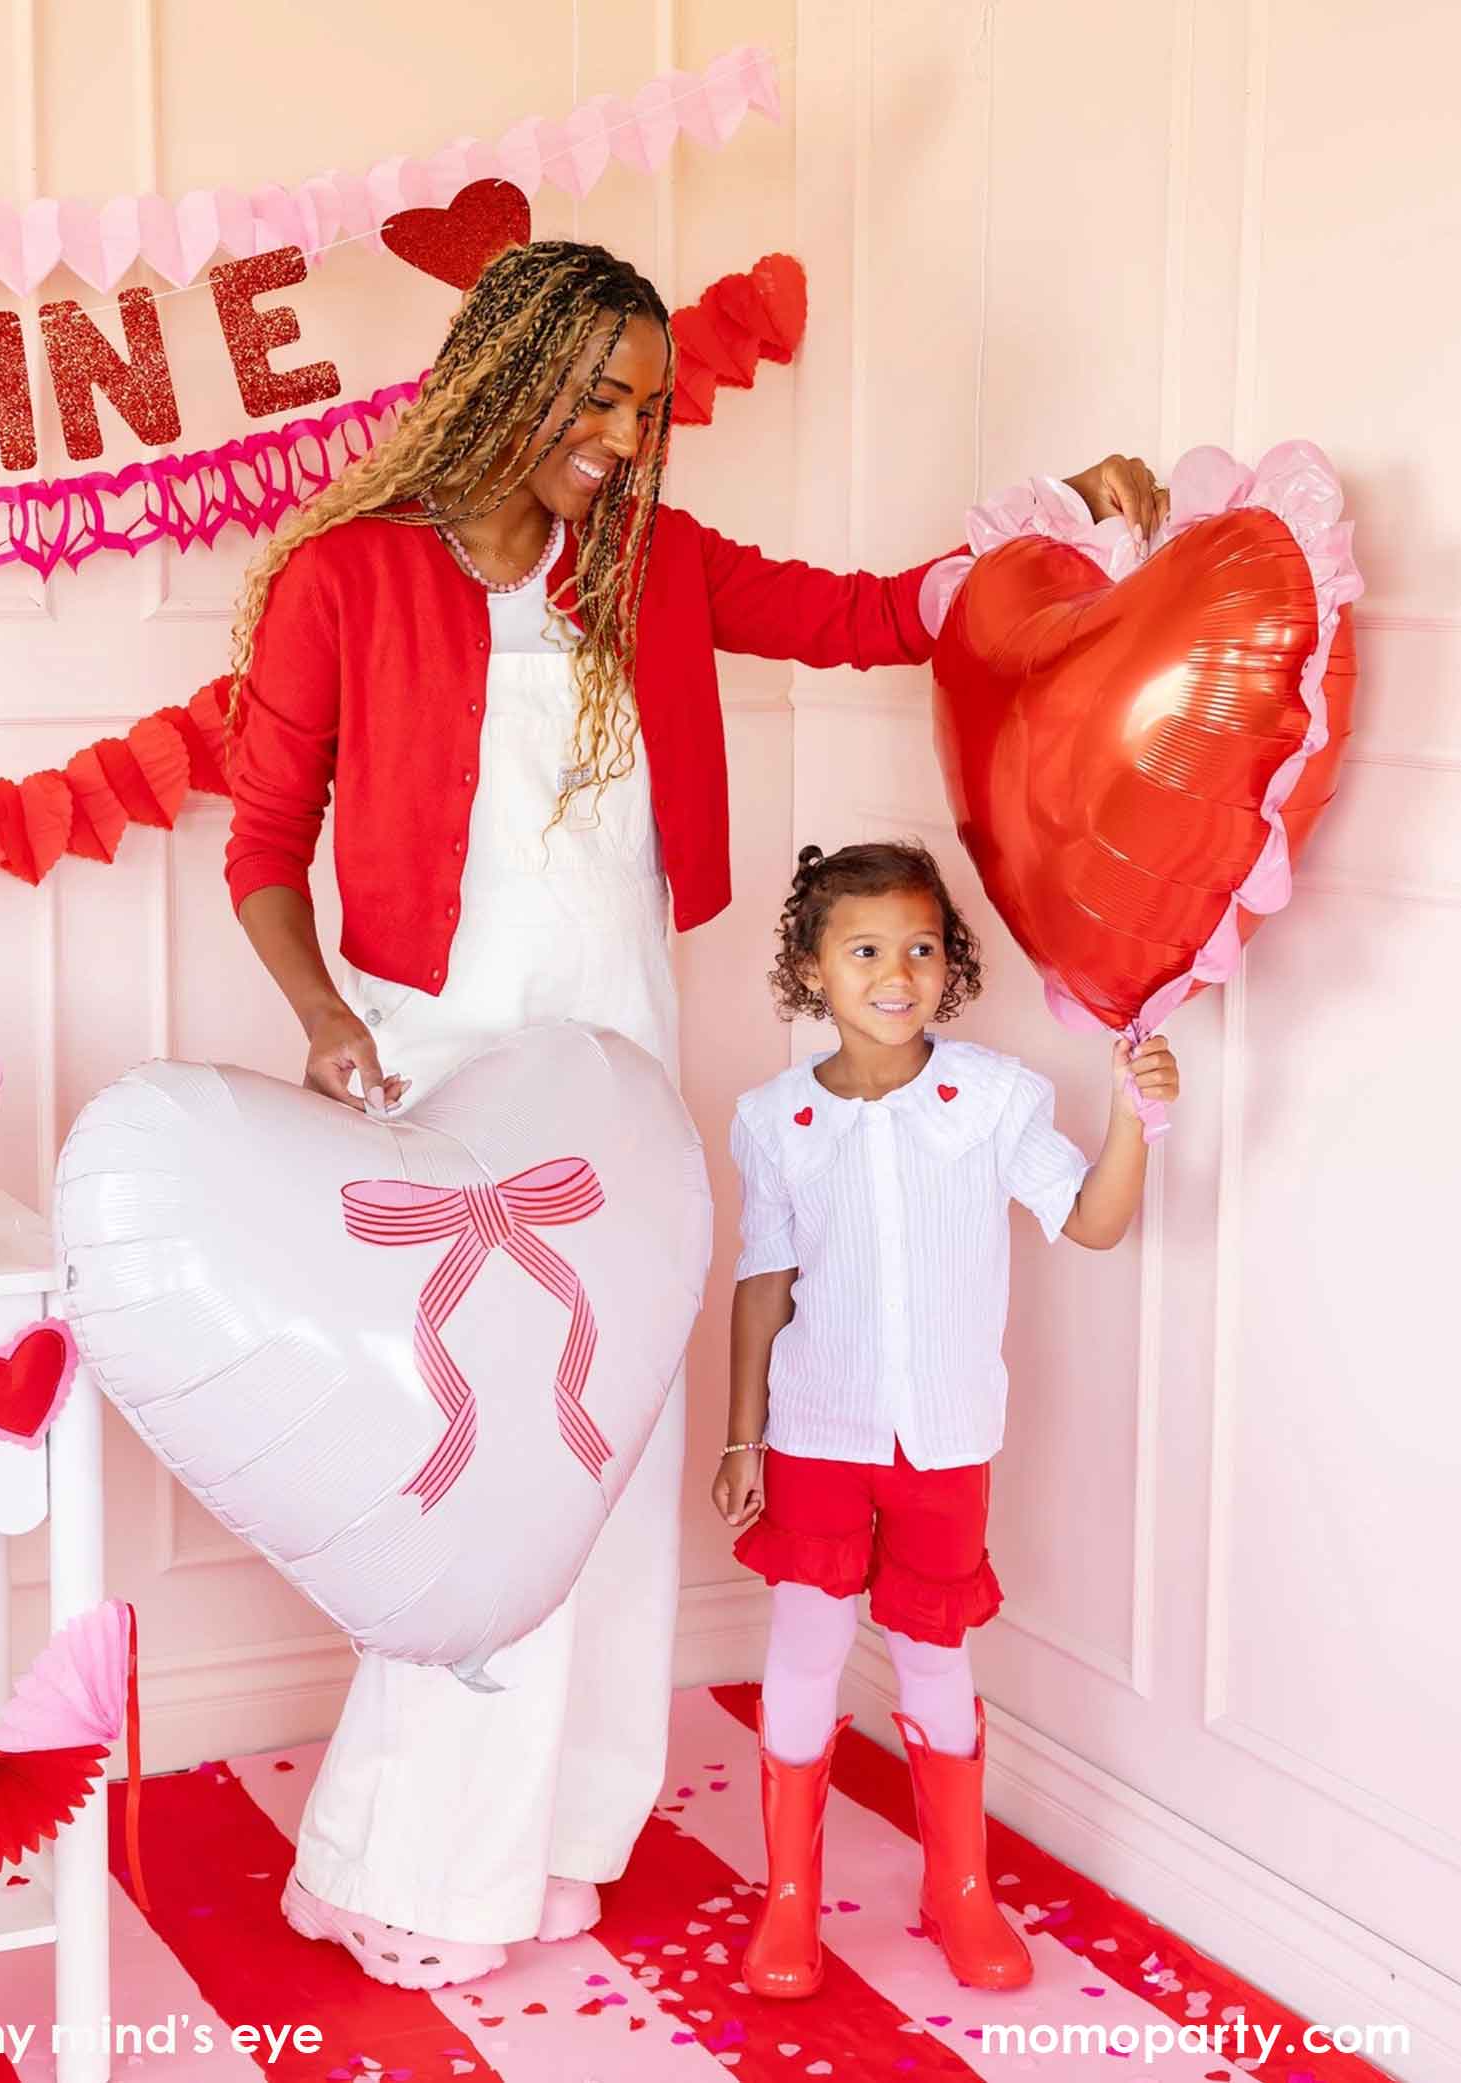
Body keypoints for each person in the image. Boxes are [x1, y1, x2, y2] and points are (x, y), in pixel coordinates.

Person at [223, 234, 1167, 1989]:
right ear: (499, 376)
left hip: (626, 1074)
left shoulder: (653, 568)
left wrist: (1066, 538)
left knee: (613, 1455)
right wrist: (325, 1017)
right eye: (594, 396)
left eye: (648, 406)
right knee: (487, 1484)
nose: (624, 436)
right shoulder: (345, 580)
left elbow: (882, 610)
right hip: (448, 1078)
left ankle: (560, 1830)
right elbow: (263, 847)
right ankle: (417, 1858)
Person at [714, 841, 1180, 2000]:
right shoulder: (772, 1119)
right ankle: (786, 1902)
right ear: (811, 969)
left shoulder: (992, 1101)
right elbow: (762, 1282)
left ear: (948, 964)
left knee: (932, 1654)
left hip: (945, 1439)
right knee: (805, 1654)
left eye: (920, 948)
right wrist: (739, 1438)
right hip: (815, 1434)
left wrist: (1136, 1119)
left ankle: (958, 1891)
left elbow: (1089, 1222)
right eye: (865, 949)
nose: (895, 971)